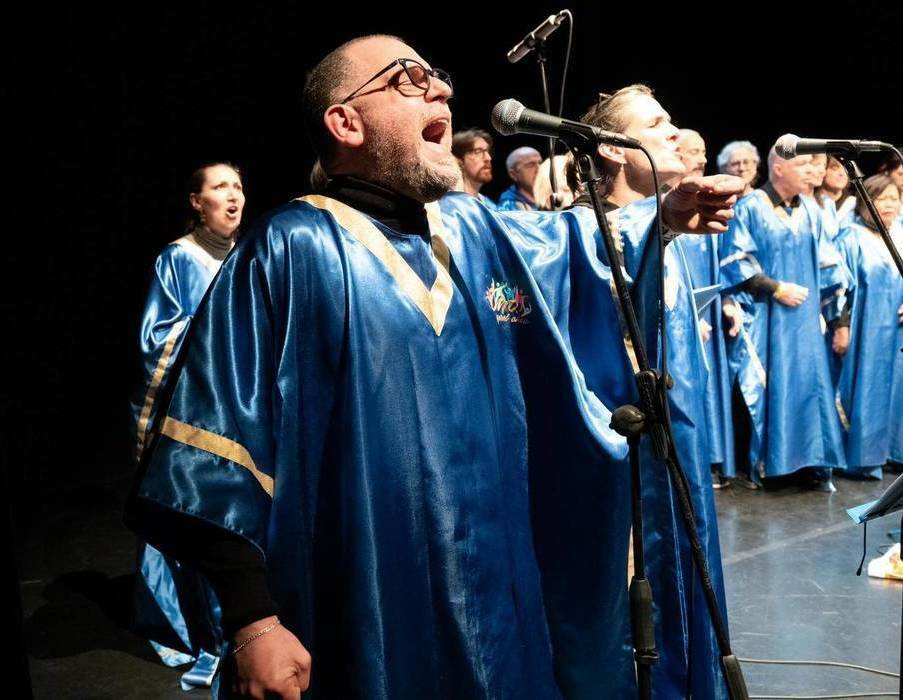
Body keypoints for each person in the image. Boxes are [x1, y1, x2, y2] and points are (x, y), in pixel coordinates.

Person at [126, 35, 743, 699]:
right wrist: (253, 623)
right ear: (345, 121)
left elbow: (571, 246)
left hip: (502, 602)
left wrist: (664, 216)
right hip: (368, 614)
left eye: (439, 79)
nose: (441, 90)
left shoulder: (474, 230)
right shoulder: (291, 249)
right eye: (409, 79)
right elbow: (209, 448)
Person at [560, 85, 731, 698]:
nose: (672, 130)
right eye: (655, 122)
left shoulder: (671, 234)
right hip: (625, 477)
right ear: (610, 149)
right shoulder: (580, 238)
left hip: (678, 457)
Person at [130, 162, 245, 688]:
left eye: (239, 186)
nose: (234, 196)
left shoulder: (251, 257)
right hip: (195, 419)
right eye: (220, 187)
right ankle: (212, 639)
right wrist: (219, 338)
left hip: (247, 413)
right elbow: (157, 338)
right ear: (197, 203)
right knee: (205, 523)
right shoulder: (179, 259)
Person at [720, 145, 848, 491]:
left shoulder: (810, 209)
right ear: (778, 168)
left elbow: (830, 264)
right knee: (766, 387)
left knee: (809, 387)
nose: (810, 170)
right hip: (766, 317)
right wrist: (776, 288)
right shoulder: (750, 208)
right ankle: (770, 465)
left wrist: (838, 320)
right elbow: (734, 261)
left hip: (805, 321)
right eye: (802, 163)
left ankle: (809, 464)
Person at [677, 128, 742, 487]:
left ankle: (712, 460)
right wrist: (689, 312)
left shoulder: (708, 199)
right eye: (694, 151)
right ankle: (690, 464)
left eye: (704, 150)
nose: (702, 158)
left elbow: (722, 265)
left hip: (710, 314)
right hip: (682, 316)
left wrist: (728, 302)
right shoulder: (667, 203)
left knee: (711, 390)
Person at [835, 175, 903, 477]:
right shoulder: (850, 236)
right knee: (868, 388)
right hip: (867, 329)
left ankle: (895, 452)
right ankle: (865, 457)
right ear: (864, 203)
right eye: (880, 198)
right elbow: (839, 287)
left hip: (898, 330)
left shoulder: (902, 234)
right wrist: (842, 325)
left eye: (894, 198)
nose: (888, 205)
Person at [451, 128, 496, 208]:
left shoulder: (490, 206)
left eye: (488, 151)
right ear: (458, 160)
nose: (488, 158)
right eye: (478, 151)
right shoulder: (450, 204)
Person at [497, 145, 542, 210]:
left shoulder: (553, 198)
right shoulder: (507, 208)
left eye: (540, 163)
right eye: (531, 165)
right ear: (513, 174)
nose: (539, 169)